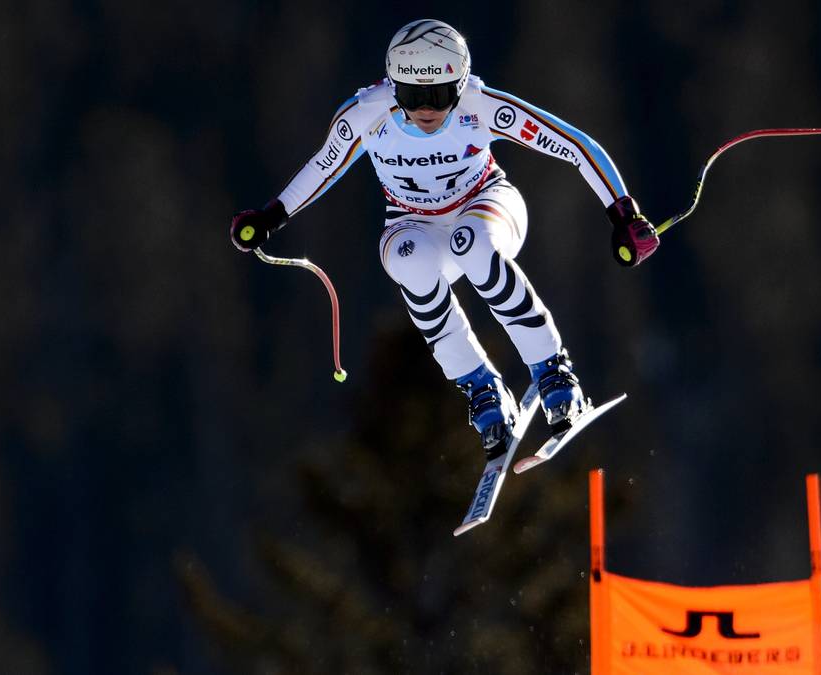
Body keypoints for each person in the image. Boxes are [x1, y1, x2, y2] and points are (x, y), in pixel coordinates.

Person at [230, 19, 659, 460]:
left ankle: (552, 369)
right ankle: (481, 386)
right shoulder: (367, 114)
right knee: (406, 261)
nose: (426, 109)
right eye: (412, 95)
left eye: (439, 95)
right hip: (414, 221)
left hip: (488, 204)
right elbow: (325, 166)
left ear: (460, 83)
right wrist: (270, 217)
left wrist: (624, 215)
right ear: (392, 85)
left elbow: (575, 145)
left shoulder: (480, 106)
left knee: (472, 244)